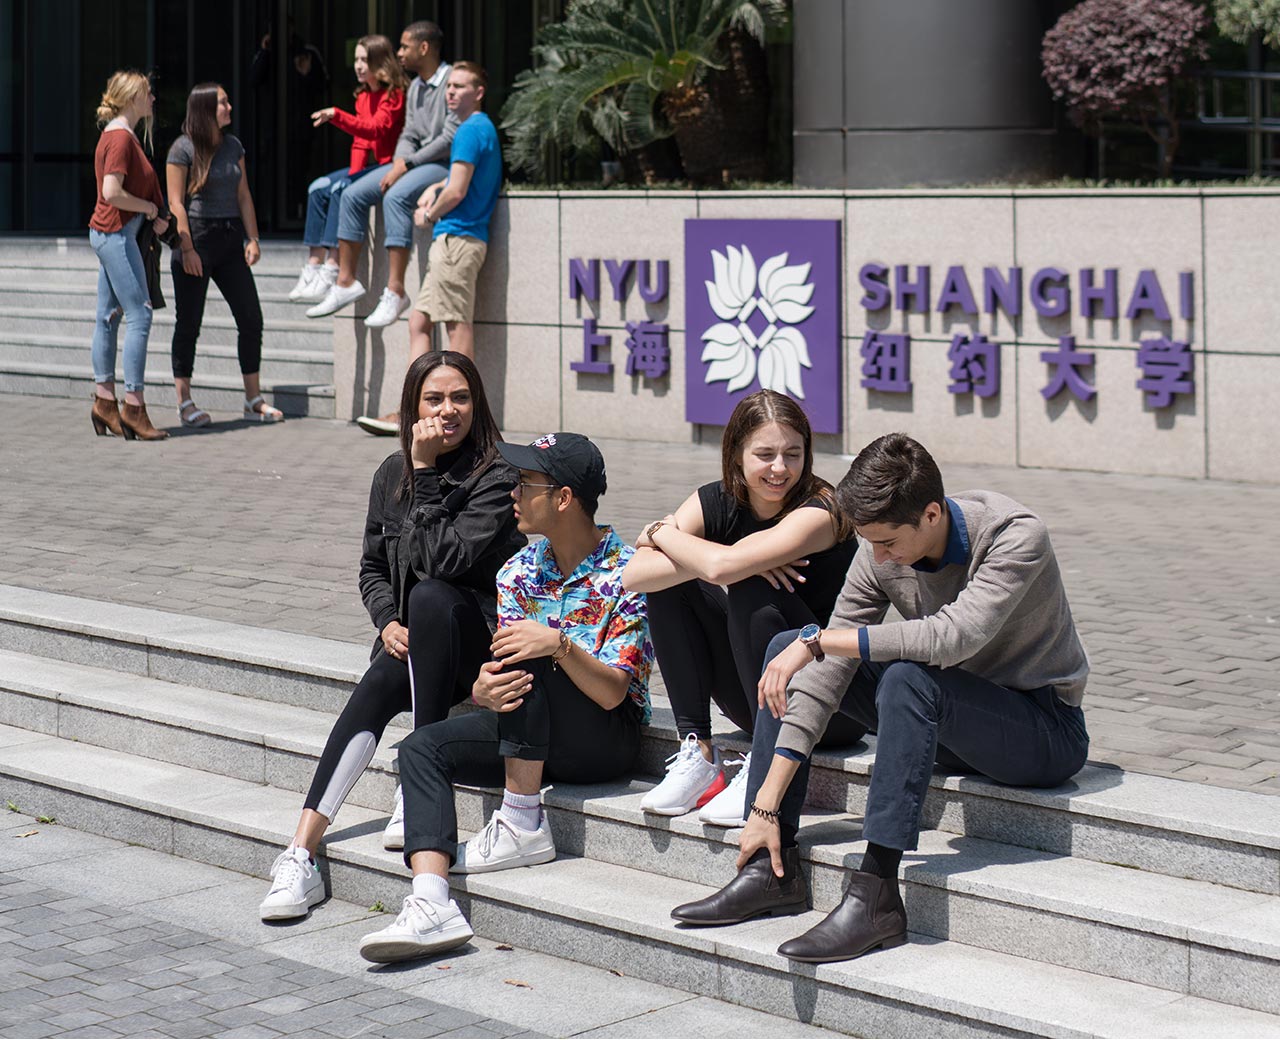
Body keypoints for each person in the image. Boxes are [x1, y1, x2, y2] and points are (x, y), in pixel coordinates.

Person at [671, 433, 1091, 965]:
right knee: (792, 648)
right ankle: (770, 870)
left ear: (933, 514)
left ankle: (876, 894)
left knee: (903, 676)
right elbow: (829, 668)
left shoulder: (1013, 536)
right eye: (870, 543)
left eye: (888, 543)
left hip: (1041, 730)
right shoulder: (882, 547)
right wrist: (765, 804)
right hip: (951, 722)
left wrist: (819, 640)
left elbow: (951, 638)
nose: (878, 556)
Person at [357, 432, 653, 962]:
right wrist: (480, 690)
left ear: (563, 497)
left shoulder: (628, 574)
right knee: (421, 749)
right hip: (530, 731)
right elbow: (501, 672)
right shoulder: (517, 571)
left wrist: (558, 644)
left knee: (536, 646)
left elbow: (614, 694)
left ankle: (521, 820)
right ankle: (430, 901)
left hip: (603, 739)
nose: (512, 492)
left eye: (525, 482)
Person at [258, 351, 524, 921]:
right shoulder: (390, 473)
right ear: (412, 407)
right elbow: (373, 568)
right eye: (434, 399)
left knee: (430, 596)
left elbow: (444, 559)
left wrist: (426, 471)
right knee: (381, 672)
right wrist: (386, 622)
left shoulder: (498, 477)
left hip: (481, 649)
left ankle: (418, 775)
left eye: (460, 398)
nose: (448, 410)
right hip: (417, 645)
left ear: (478, 406)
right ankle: (300, 852)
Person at [621, 390, 864, 826]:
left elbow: (721, 565)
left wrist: (659, 530)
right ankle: (697, 751)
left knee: (746, 579)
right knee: (672, 586)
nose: (780, 468)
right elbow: (635, 574)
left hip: (835, 703)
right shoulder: (717, 500)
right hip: (756, 696)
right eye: (765, 454)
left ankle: (766, 763)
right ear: (735, 454)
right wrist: (711, 555)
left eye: (793, 454)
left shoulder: (823, 509)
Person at [356, 62, 501, 436]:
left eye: (460, 86)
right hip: (457, 239)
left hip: (457, 239)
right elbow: (453, 183)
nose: (451, 92)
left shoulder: (470, 130)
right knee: (420, 321)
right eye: (449, 86)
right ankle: (416, 411)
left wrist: (429, 213)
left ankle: (465, 420)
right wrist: (436, 191)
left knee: (456, 325)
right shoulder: (480, 129)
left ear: (479, 93)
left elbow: (458, 189)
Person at [318, 21, 457, 330]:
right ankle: (345, 281)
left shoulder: (450, 80)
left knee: (394, 196)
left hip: (442, 164)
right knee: (351, 194)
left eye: (405, 47)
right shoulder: (417, 85)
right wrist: (399, 161)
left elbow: (447, 139)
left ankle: (395, 290)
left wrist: (405, 164)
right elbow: (408, 132)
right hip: (414, 161)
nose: (399, 53)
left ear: (424, 48)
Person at [166, 83, 282, 426]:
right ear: (204, 109)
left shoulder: (233, 146)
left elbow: (243, 194)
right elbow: (175, 203)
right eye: (222, 102)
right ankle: (184, 402)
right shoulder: (182, 148)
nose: (229, 106)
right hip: (196, 238)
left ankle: (253, 399)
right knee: (188, 323)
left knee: (251, 318)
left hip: (231, 238)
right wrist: (186, 248)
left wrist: (253, 238)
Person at [288, 35, 407, 311]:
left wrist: (337, 116)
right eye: (356, 59)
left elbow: (376, 130)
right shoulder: (363, 95)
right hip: (367, 167)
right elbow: (360, 142)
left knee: (341, 189)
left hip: (389, 164)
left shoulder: (394, 96)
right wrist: (352, 174)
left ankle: (332, 266)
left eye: (365, 59)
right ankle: (314, 265)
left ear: (380, 61)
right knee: (318, 187)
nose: (358, 65)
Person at [88, 70, 170, 441]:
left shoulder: (116, 135)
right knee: (140, 314)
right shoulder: (121, 138)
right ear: (133, 98)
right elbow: (111, 191)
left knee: (107, 317)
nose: (152, 99)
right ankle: (133, 407)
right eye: (148, 93)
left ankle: (105, 401)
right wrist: (149, 210)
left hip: (108, 233)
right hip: (116, 234)